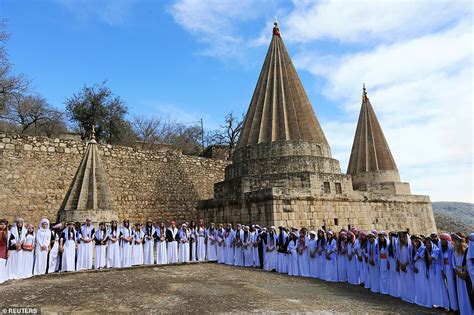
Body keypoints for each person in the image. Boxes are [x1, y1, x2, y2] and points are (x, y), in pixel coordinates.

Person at [452, 233, 473, 315]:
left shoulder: (467, 249)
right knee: (460, 293)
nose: (455, 241)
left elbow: (469, 262)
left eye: (456, 239)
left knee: (467, 292)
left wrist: (464, 273)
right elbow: (453, 260)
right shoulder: (454, 250)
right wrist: (456, 271)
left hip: (466, 275)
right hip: (458, 274)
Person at [426, 238, 450, 309]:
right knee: (434, 286)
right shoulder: (431, 251)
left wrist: (427, 250)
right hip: (432, 269)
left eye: (428, 243)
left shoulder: (436, 250)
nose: (427, 244)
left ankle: (443, 303)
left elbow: (430, 259)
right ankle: (436, 302)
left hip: (438, 269)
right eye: (426, 243)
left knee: (440, 286)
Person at [439, 233, 458, 312]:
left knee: (452, 288)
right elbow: (441, 260)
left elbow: (454, 260)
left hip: (451, 270)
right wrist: (442, 270)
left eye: (443, 240)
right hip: (445, 269)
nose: (442, 241)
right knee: (447, 288)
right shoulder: (442, 249)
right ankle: (450, 306)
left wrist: (454, 270)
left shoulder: (452, 248)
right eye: (441, 240)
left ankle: (455, 307)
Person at [412, 235, 431, 308]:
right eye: (415, 241)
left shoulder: (423, 248)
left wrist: (415, 248)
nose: (416, 242)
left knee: (423, 282)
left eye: (417, 241)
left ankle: (425, 300)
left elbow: (418, 257)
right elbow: (412, 258)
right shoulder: (414, 248)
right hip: (416, 265)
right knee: (418, 283)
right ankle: (419, 299)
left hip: (422, 266)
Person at [397, 231, 415, 303]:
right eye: (401, 237)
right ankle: (405, 296)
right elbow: (397, 256)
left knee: (410, 281)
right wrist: (401, 265)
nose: (402, 238)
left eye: (403, 237)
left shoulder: (410, 246)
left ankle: (411, 297)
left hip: (408, 266)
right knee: (403, 281)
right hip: (402, 266)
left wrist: (405, 265)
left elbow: (411, 257)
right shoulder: (399, 246)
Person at [387, 232, 400, 297]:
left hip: (395, 262)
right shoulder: (390, 245)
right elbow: (388, 254)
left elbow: (398, 255)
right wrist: (388, 262)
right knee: (392, 276)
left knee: (397, 277)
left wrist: (397, 264)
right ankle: (393, 292)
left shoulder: (397, 244)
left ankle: (398, 293)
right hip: (391, 262)